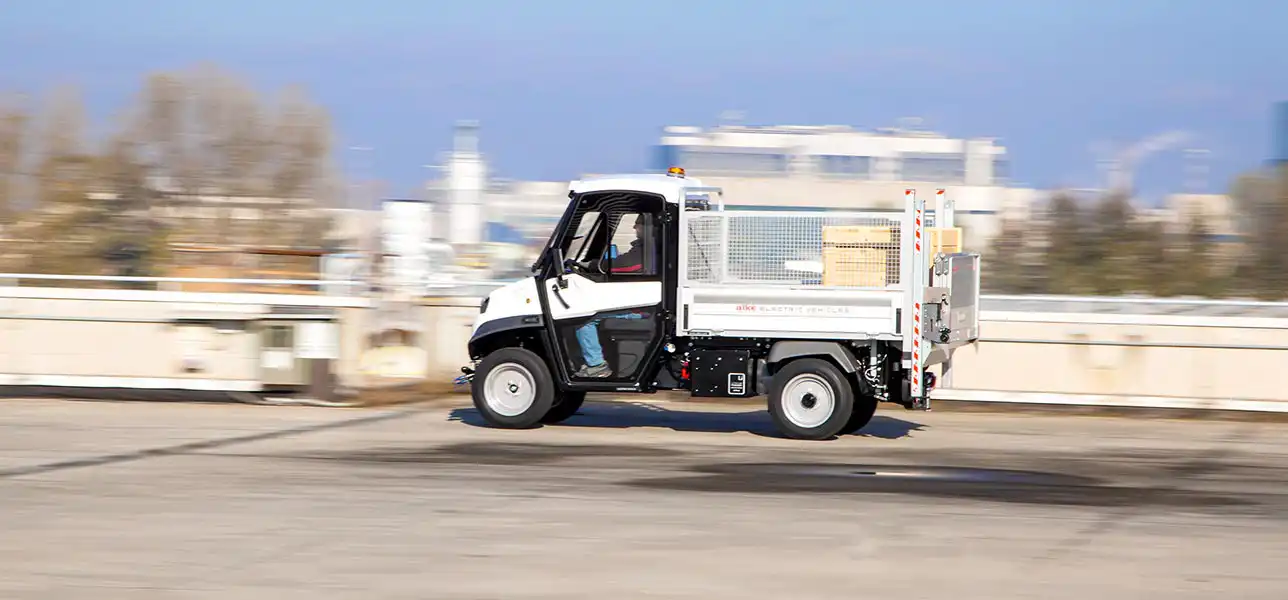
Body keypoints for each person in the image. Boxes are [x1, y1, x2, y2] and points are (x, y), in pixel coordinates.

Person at [574, 217, 649, 378]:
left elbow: (629, 265)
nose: (634, 226)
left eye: (639, 223)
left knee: (584, 319)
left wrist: (595, 265)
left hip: (640, 307)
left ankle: (596, 365)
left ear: (650, 226)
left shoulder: (648, 249)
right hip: (635, 301)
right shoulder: (645, 247)